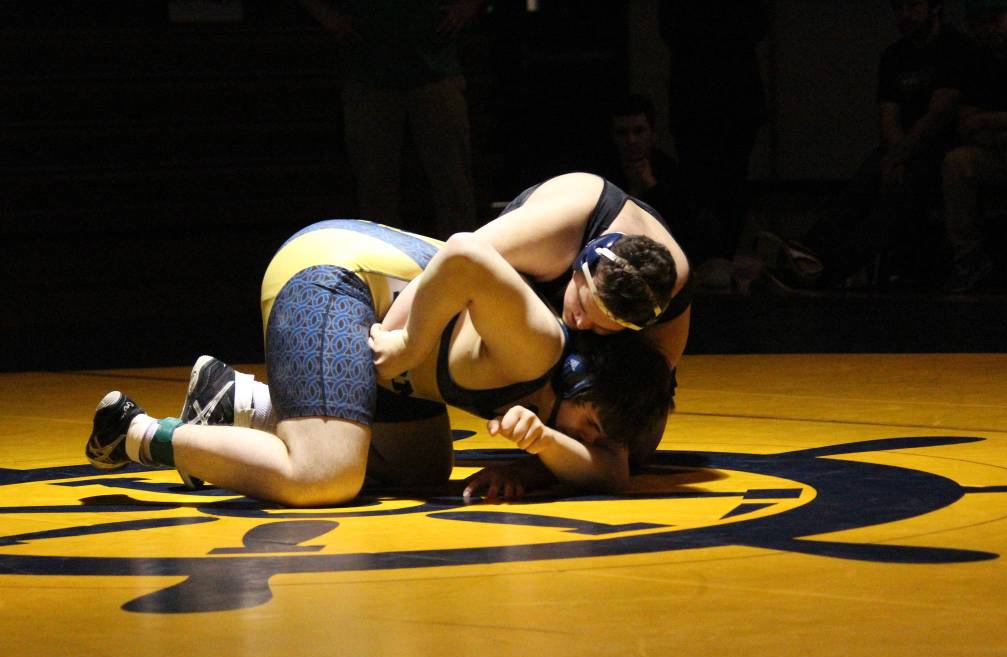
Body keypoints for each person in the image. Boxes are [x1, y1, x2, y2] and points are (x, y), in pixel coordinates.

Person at [86, 220, 675, 505]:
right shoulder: (541, 343)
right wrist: (413, 342)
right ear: (581, 377)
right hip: (332, 276)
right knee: (325, 476)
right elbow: (466, 253)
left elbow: (611, 473)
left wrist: (540, 453)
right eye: (590, 426)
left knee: (422, 471)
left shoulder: (572, 400)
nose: (586, 442)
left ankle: (237, 403)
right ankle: (138, 435)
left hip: (374, 325)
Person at [472, 172, 692, 461]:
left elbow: (647, 390)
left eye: (602, 327)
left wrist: (540, 462)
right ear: (582, 263)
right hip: (514, 289)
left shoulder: (671, 289)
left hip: (605, 332)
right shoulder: (555, 232)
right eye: (583, 307)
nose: (579, 323)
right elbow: (444, 262)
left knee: (637, 443)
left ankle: (546, 455)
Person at [766, 0, 967, 291]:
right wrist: (895, 157)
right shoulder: (894, 56)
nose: (904, 15)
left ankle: (830, 270)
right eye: (899, 8)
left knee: (895, 202)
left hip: (939, 150)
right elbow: (888, 116)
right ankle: (808, 251)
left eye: (912, 7)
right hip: (899, 151)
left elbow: (939, 115)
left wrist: (900, 157)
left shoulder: (954, 47)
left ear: (934, 7)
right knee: (861, 186)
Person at [298, 0, 481, 239]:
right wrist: (329, 17)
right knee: (376, 185)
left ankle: (463, 254)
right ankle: (384, 254)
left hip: (431, 68)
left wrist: (468, 6)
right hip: (370, 72)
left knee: (452, 181)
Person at [658, 0, 769, 288]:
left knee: (722, 179)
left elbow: (757, 26)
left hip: (712, 90)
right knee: (711, 180)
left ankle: (715, 257)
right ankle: (711, 257)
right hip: (718, 89)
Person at [942, 0, 1007, 292]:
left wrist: (989, 120)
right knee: (957, 162)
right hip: (997, 149)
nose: (988, 28)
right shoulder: (976, 61)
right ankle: (969, 258)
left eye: (995, 18)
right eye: (980, 21)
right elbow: (966, 123)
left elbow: (981, 120)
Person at [584, 94, 692, 253]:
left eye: (639, 131)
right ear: (613, 135)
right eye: (622, 133)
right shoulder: (601, 174)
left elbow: (682, 228)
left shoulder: (671, 172)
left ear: (653, 134)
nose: (631, 140)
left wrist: (651, 186)